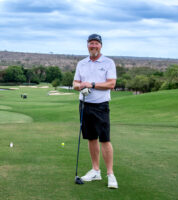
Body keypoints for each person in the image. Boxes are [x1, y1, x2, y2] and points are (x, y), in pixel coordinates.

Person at [73, 33, 118, 189]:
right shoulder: (82, 63)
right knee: (91, 138)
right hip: (85, 104)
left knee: (104, 139)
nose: (93, 46)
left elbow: (111, 84)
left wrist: (91, 84)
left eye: (96, 43)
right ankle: (95, 170)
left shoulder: (108, 62)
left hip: (101, 105)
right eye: (91, 43)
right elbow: (75, 83)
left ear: (101, 45)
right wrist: (80, 86)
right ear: (87, 45)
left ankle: (110, 174)